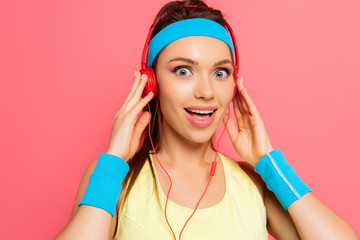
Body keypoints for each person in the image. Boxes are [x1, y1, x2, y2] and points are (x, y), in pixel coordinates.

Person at [55, 0, 359, 239]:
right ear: (151, 83)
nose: (206, 91)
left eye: (220, 72)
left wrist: (270, 163)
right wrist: (113, 160)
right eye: (183, 71)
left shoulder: (254, 183)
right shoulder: (113, 177)